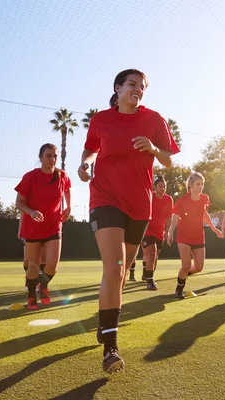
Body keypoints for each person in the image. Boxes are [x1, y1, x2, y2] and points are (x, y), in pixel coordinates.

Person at [78, 69, 179, 373]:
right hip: (105, 198)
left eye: (142, 87)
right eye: (133, 85)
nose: (138, 90)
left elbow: (169, 159)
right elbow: (91, 148)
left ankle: (104, 321)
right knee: (115, 266)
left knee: (120, 275)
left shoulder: (154, 120)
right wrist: (84, 163)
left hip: (140, 205)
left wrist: (154, 148)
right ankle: (111, 348)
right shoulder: (101, 120)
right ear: (118, 88)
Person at [15, 143, 71, 310]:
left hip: (54, 225)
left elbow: (67, 189)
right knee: (32, 265)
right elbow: (19, 202)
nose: (52, 159)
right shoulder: (30, 177)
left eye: (55, 156)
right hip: (33, 227)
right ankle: (32, 296)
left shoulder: (62, 175)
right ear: (40, 157)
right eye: (48, 156)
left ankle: (43, 286)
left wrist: (69, 206)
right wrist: (31, 212)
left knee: (52, 265)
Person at [167, 172, 222, 299]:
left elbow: (205, 214)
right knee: (185, 266)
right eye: (198, 184)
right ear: (191, 185)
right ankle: (179, 289)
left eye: (202, 184)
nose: (201, 187)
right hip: (183, 237)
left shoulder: (204, 198)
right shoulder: (182, 200)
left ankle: (184, 273)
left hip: (198, 236)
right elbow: (175, 217)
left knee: (199, 267)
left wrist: (214, 229)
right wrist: (170, 232)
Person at [140, 176, 174, 290]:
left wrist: (168, 231)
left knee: (155, 256)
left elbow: (169, 217)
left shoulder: (169, 199)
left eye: (164, 186)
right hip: (147, 231)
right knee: (152, 253)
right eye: (160, 186)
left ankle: (147, 274)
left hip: (160, 232)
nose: (163, 188)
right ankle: (150, 280)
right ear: (155, 187)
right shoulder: (150, 197)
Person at [18, 216, 47, 292]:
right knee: (27, 260)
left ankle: (38, 282)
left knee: (43, 260)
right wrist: (20, 230)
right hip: (29, 230)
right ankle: (28, 279)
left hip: (45, 230)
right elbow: (22, 215)